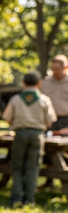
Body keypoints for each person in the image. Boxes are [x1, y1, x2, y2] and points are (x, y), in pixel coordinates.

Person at [2, 71, 57, 207]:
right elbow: (50, 121)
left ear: (23, 83)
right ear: (39, 83)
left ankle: (16, 197)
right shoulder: (44, 99)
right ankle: (29, 198)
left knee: (18, 165)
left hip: (20, 133)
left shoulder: (16, 99)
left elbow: (7, 117)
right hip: (37, 134)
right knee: (33, 166)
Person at [40, 54, 68, 190]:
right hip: (50, 120)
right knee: (49, 149)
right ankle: (49, 181)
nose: (54, 72)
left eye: (57, 69)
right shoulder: (46, 82)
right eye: (53, 69)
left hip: (66, 121)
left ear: (65, 67)